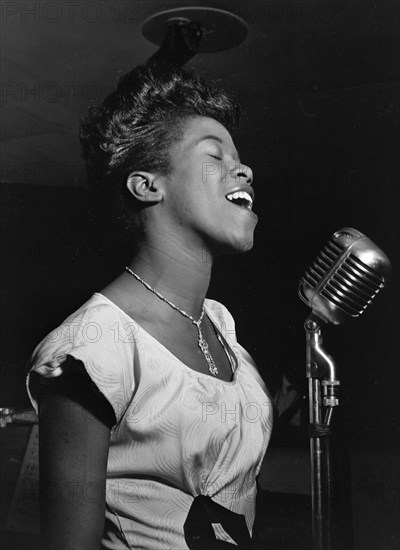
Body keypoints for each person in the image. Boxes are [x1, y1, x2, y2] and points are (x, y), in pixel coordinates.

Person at [26, 64, 274, 550]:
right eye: (214, 155)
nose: (242, 169)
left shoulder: (219, 324)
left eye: (239, 158)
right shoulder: (91, 349)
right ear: (147, 186)